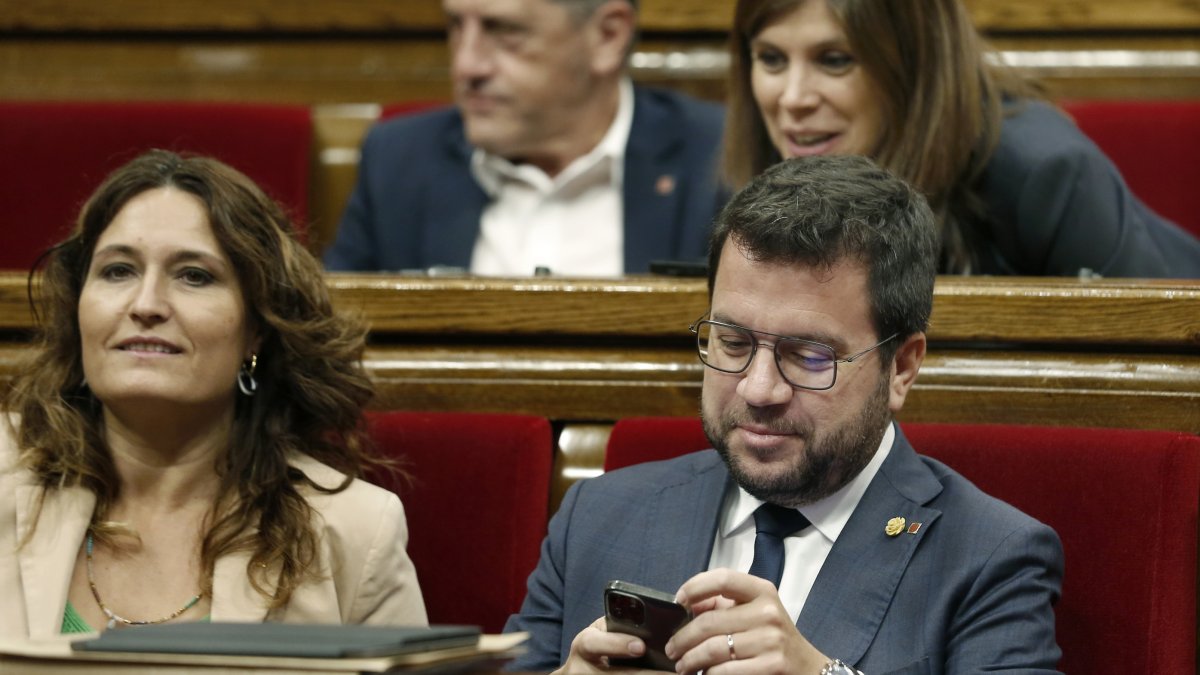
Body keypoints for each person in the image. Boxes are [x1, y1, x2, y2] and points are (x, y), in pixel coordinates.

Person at [503, 155, 1064, 673]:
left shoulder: (988, 557)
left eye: (809, 356)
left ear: (901, 367)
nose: (759, 389)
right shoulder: (598, 516)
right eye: (733, 343)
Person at [0, 150, 427, 639]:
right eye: (118, 271)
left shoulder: (355, 530)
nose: (146, 304)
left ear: (257, 331)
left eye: (194, 276)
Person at [723, 0, 1200, 278]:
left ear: (916, 66)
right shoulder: (759, 174)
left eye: (834, 60)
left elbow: (1151, 363)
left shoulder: (1045, 173)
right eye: (771, 59)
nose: (793, 98)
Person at [322, 0, 727, 276]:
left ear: (608, 36)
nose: (466, 65)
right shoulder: (398, 160)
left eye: (504, 30)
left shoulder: (720, 159)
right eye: (456, 26)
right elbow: (332, 346)